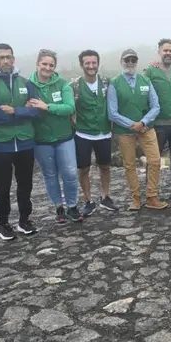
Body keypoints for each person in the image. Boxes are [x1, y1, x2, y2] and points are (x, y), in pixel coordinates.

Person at [0, 43, 40, 240]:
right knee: (2, 185)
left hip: (25, 142)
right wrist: (23, 114)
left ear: (14, 58)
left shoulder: (26, 83)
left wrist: (15, 111)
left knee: (26, 183)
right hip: (1, 143)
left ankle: (24, 219)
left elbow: (36, 110)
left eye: (8, 57)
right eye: (1, 57)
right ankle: (4, 223)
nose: (5, 61)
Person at [107, 48, 168, 210]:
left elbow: (156, 106)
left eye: (133, 60)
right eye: (127, 60)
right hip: (124, 132)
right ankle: (135, 198)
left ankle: (151, 197)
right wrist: (132, 124)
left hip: (146, 128)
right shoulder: (114, 83)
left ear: (137, 62)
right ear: (121, 61)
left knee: (155, 161)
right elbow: (112, 112)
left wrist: (143, 122)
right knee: (129, 165)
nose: (130, 63)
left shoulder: (145, 81)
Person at [28, 49, 82, 223]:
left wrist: (47, 107)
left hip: (64, 137)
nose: (48, 67)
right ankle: (59, 207)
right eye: (44, 64)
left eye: (51, 65)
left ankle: (72, 206)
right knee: (50, 175)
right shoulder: (28, 85)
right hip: (41, 139)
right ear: (37, 64)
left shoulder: (62, 84)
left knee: (70, 173)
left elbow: (69, 108)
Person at [71, 49, 117, 216]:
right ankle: (88, 200)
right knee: (83, 169)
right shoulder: (74, 86)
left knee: (105, 166)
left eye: (93, 62)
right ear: (82, 65)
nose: (91, 66)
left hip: (104, 132)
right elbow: (70, 109)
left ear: (98, 63)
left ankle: (105, 197)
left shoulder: (106, 82)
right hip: (83, 134)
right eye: (87, 63)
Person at [144, 39, 171, 195]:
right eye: (165, 50)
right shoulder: (150, 71)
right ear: (159, 52)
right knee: (154, 157)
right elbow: (144, 95)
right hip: (158, 123)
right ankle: (150, 187)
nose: (168, 53)